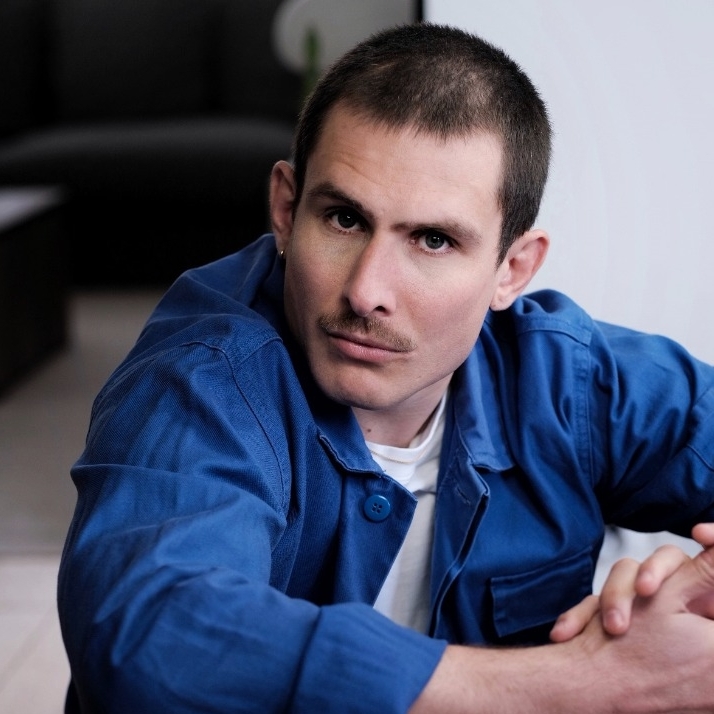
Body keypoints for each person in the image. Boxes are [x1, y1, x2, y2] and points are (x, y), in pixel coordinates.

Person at [57, 22, 714, 713]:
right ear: (286, 209)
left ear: (512, 269)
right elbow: (155, 638)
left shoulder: (567, 381)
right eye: (344, 219)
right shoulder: (202, 379)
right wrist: (589, 682)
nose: (366, 291)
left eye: (433, 240)